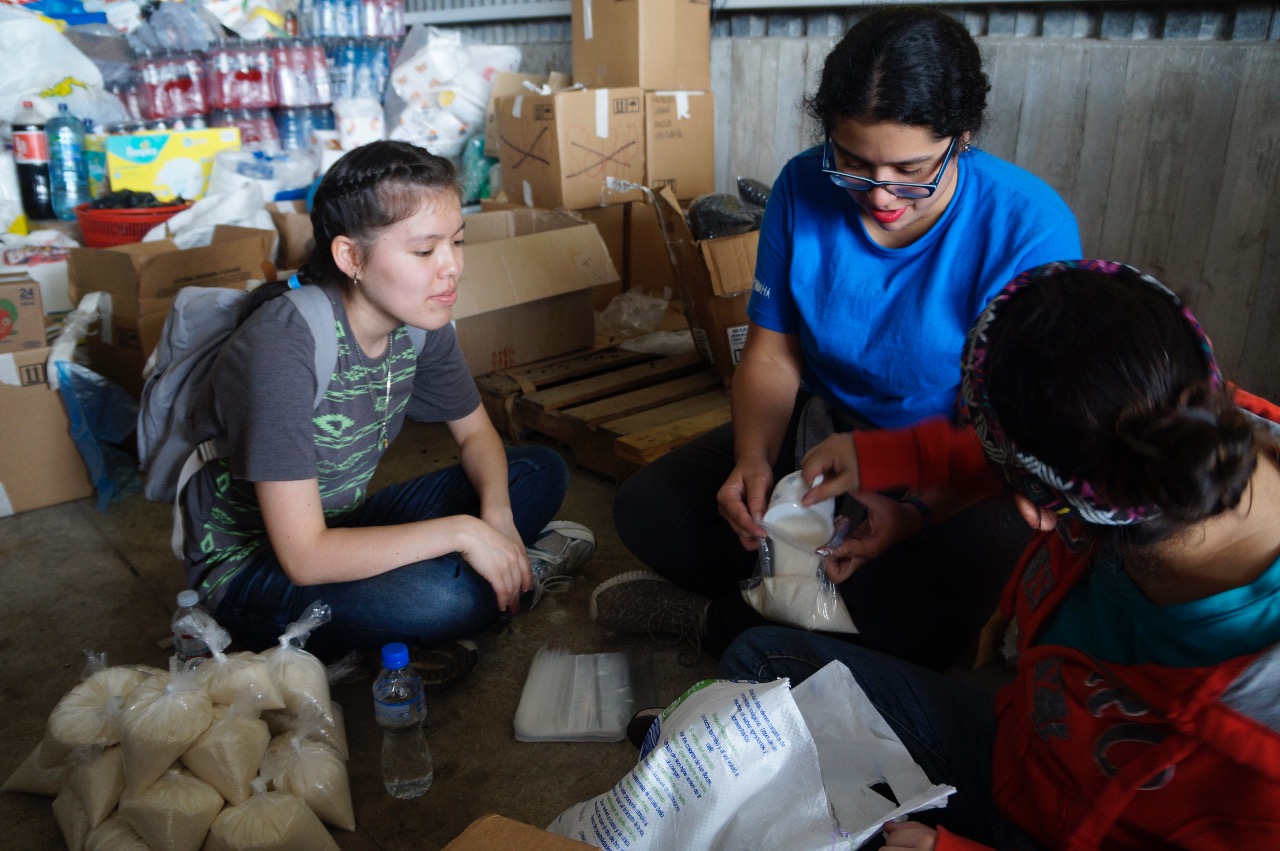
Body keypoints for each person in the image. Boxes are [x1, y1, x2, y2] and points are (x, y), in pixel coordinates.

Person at [720, 259, 1280, 849]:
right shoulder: (1193, 417)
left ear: (1039, 513)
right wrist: (889, 459)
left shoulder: (1259, 718)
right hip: (1027, 753)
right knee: (761, 662)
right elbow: (1061, 435)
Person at [595, 7, 1082, 667]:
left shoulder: (1029, 228)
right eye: (852, 162)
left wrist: (915, 514)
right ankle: (783, 623)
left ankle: (725, 620)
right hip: (823, 433)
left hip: (954, 457)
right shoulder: (802, 184)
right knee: (648, 513)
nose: (881, 195)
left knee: (930, 619)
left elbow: (1014, 435)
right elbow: (772, 354)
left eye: (914, 170)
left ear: (962, 137)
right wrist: (755, 461)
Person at [180, 141, 594, 678]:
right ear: (351, 257)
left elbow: (476, 437)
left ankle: (495, 568)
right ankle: (492, 579)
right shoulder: (284, 344)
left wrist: (495, 519)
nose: (451, 269)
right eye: (424, 252)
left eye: (458, 242)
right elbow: (304, 556)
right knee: (447, 602)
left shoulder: (423, 321)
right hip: (253, 570)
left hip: (342, 525)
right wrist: (465, 534)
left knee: (539, 469)